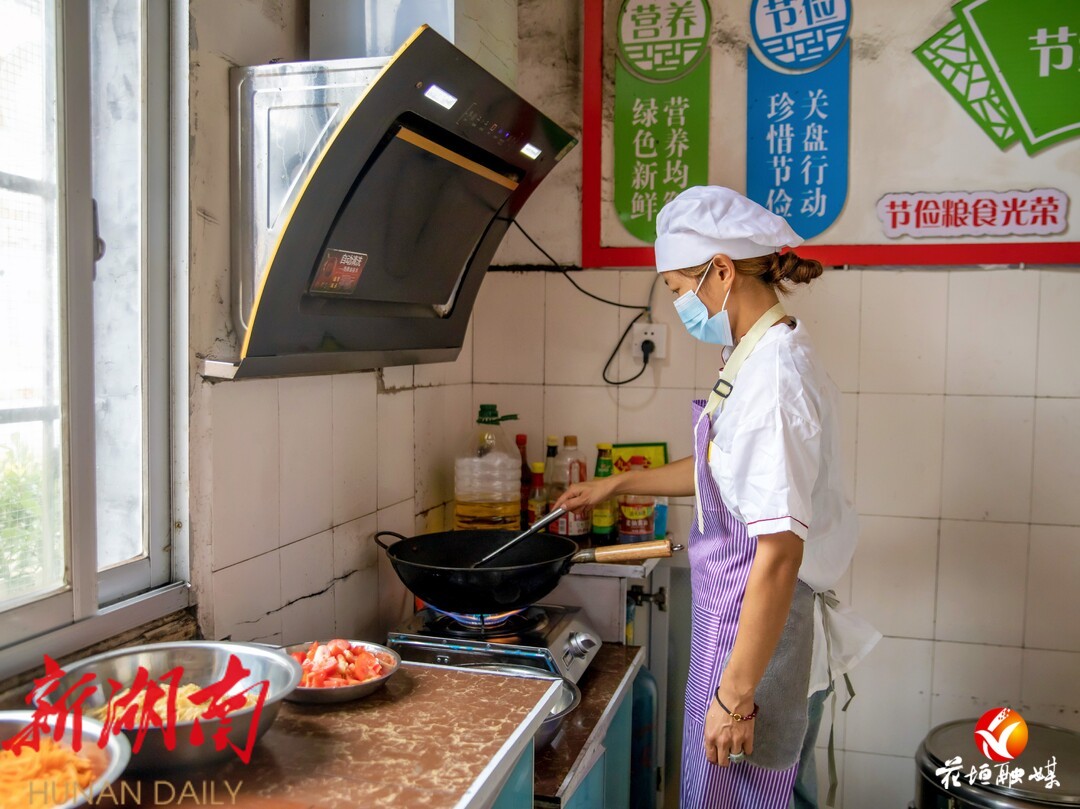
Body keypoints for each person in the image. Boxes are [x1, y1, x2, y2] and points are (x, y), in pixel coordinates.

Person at [554, 187, 879, 808]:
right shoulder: (751, 357)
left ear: (722, 271)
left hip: (762, 636)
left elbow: (778, 553)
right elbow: (720, 468)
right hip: (735, 619)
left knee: (757, 794)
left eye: (679, 288)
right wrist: (615, 484)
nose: (680, 305)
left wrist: (735, 698)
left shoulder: (775, 379)